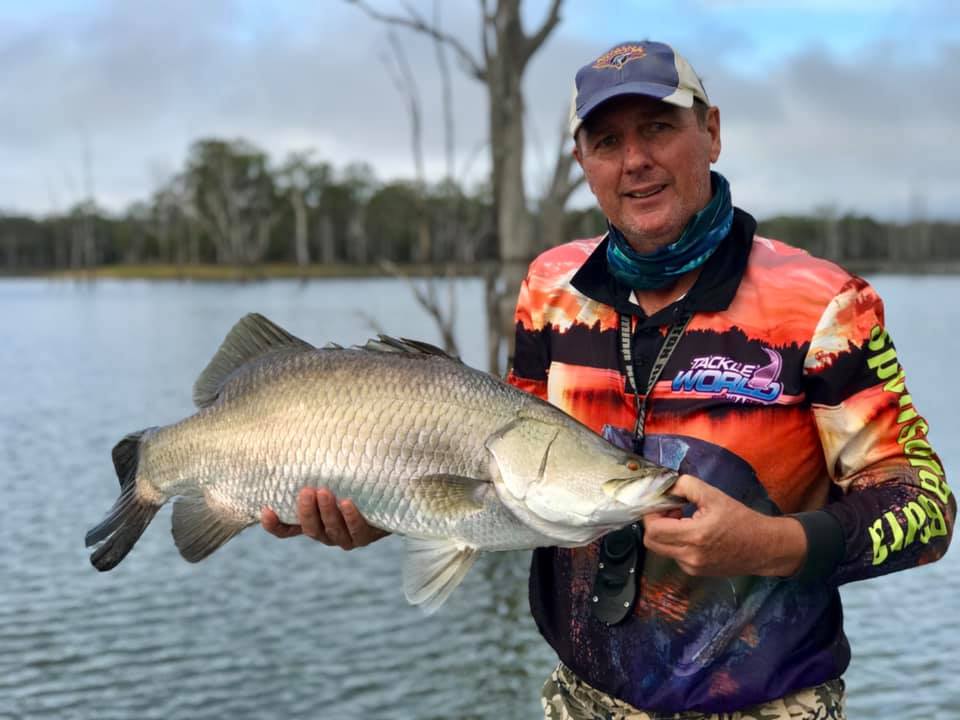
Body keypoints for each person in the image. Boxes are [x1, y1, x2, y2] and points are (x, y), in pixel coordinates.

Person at [262, 40, 955, 719]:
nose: (636, 161)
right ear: (583, 163)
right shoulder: (550, 289)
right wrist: (382, 503)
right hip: (581, 698)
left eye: (658, 127)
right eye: (606, 141)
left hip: (772, 705)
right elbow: (512, 481)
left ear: (711, 132)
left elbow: (925, 508)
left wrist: (772, 545)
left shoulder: (824, 303)